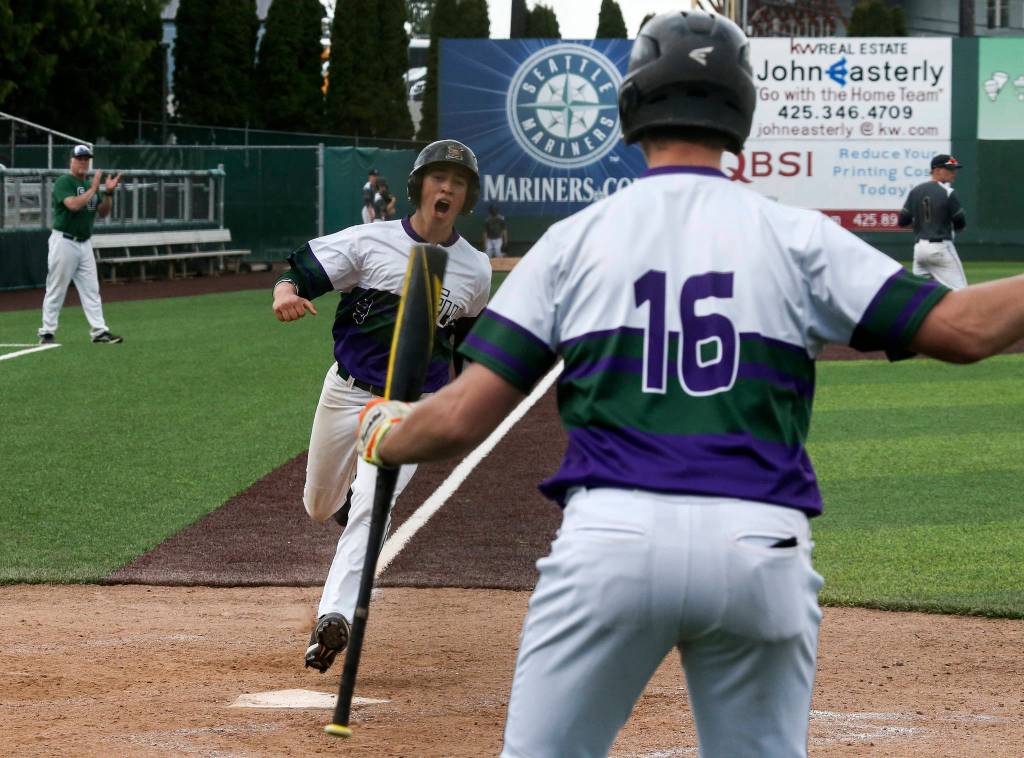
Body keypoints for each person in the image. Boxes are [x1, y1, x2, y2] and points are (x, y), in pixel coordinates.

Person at [356, 11, 1024, 758]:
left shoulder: (575, 240)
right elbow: (967, 330)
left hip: (612, 541)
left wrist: (387, 431)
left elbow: (459, 420)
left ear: (634, 105)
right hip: (759, 543)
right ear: (740, 110)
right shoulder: (796, 235)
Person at [272, 139, 491, 674]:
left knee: (373, 508)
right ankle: (350, 510)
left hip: (412, 408)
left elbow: (463, 343)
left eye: (458, 183)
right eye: (439, 178)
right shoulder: (369, 242)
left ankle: (334, 618)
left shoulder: (474, 269)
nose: (447, 188)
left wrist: (458, 408)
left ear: (467, 198)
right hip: (347, 392)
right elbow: (299, 272)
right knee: (319, 506)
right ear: (419, 187)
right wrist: (283, 291)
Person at [38, 144, 123, 345]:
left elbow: (103, 212)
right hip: (64, 240)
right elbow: (73, 205)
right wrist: (94, 188)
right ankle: (47, 332)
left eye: (86, 159)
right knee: (57, 288)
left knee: (91, 289)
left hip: (84, 243)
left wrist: (108, 193)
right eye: (80, 158)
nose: (84, 162)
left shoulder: (88, 186)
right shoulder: (64, 181)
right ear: (72, 161)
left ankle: (99, 331)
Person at [898, 154, 968, 289]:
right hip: (940, 248)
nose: (954, 172)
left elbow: (902, 221)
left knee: (920, 295)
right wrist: (958, 227)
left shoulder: (915, 191)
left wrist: (921, 224)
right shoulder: (948, 192)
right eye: (949, 169)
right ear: (936, 170)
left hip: (919, 250)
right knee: (961, 294)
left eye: (954, 169)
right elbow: (960, 222)